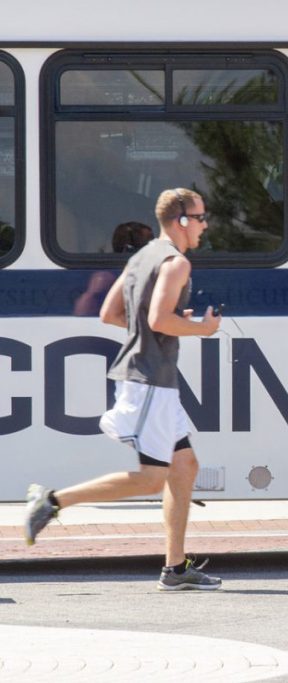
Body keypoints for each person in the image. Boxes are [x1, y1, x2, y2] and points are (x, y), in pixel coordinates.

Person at [25, 188, 224, 591]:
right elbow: (158, 321)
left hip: (151, 381)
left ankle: (175, 567)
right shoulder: (176, 262)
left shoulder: (142, 256)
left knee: (185, 467)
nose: (205, 225)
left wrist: (166, 322)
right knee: (152, 478)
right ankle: (51, 501)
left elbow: (110, 314)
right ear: (182, 220)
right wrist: (199, 328)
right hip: (150, 384)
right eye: (201, 217)